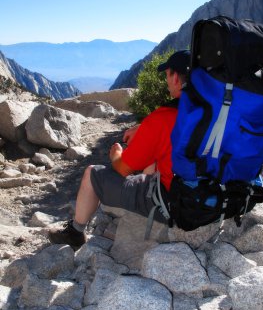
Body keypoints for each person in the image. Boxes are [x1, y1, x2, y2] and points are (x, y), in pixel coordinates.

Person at [48, 50, 191, 248]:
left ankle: (75, 232)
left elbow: (123, 169)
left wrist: (117, 154)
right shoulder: (218, 109)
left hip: (176, 204)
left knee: (92, 174)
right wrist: (144, 130)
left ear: (175, 77)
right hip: (213, 197)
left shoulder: (163, 118)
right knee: (156, 159)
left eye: (167, 74)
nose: (166, 80)